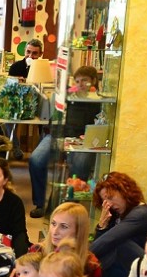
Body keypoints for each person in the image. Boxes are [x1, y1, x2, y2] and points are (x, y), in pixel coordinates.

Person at [27, 65, 102, 219]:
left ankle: (68, 206)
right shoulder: (67, 96)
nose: (80, 84)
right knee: (36, 159)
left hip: (83, 140)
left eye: (85, 81)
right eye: (77, 81)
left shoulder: (99, 100)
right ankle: (40, 203)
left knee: (80, 165)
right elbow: (55, 118)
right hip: (58, 136)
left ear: (94, 81)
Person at [89, 172, 147, 277]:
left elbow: (107, 241)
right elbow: (100, 248)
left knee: (119, 244)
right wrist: (102, 225)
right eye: (105, 201)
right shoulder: (118, 215)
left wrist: (78, 260)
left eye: (111, 198)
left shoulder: (141, 214)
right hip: (135, 274)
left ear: (124, 191)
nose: (110, 205)